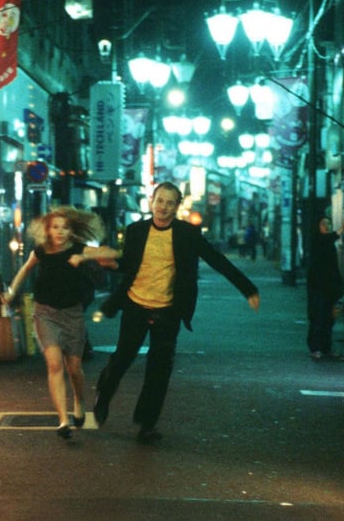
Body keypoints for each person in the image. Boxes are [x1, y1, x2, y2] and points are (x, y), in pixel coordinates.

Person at [94, 182, 261, 443]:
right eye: (160, 201)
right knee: (121, 360)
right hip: (135, 305)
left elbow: (216, 259)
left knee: (159, 370)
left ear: (177, 206)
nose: (163, 208)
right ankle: (103, 397)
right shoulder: (136, 230)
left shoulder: (187, 234)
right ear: (152, 201)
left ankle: (146, 425)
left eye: (170, 203)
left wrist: (247, 288)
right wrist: (111, 264)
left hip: (168, 310)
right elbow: (129, 264)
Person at [2, 207, 120, 439]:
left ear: (71, 231)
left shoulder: (77, 248)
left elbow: (112, 253)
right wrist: (12, 291)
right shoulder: (41, 251)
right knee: (54, 364)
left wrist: (84, 256)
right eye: (55, 227)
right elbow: (25, 270)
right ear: (48, 229)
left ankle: (78, 399)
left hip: (72, 314)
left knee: (74, 367)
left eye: (65, 228)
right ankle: (63, 420)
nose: (60, 231)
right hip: (45, 312)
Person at [306, 216, 344, 359]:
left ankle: (326, 347)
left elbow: (334, 267)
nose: (326, 226)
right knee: (317, 317)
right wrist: (342, 228)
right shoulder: (317, 240)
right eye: (323, 223)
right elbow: (329, 238)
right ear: (317, 226)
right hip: (317, 285)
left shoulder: (328, 242)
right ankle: (315, 347)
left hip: (330, 286)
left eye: (328, 223)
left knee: (329, 318)